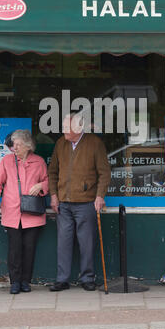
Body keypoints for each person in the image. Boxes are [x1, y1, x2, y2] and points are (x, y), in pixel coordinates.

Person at [48, 112, 111, 292]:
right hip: (63, 203)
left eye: (66, 127)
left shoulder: (94, 143)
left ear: (78, 128)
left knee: (86, 242)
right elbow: (52, 171)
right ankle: (62, 279)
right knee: (63, 242)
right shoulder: (61, 143)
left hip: (86, 202)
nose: (63, 131)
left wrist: (100, 195)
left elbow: (104, 172)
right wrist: (54, 195)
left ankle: (87, 278)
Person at [0, 129, 49, 294]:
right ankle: (15, 282)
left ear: (28, 146)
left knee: (29, 248)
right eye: (13, 144)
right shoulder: (7, 161)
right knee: (14, 249)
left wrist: (41, 186)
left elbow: (48, 180)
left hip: (32, 213)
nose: (14, 147)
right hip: (12, 212)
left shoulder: (39, 162)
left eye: (18, 144)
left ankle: (25, 281)